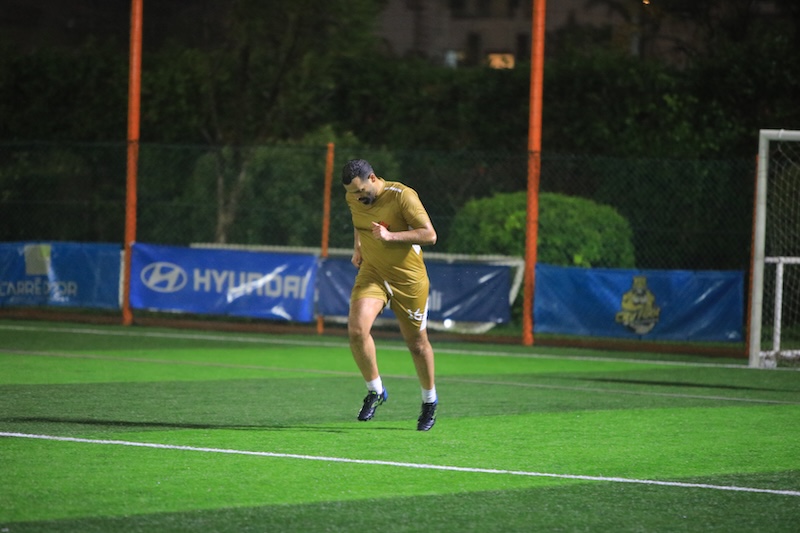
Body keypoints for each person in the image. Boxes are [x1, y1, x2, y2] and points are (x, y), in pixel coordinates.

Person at [341, 159, 439, 431]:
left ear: (373, 178)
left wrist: (390, 236)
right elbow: (359, 222)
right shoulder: (353, 197)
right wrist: (358, 247)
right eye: (352, 193)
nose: (357, 197)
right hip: (373, 272)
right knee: (357, 331)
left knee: (417, 344)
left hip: (408, 279)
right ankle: (375, 390)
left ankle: (429, 401)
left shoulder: (402, 196)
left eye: (360, 191)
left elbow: (430, 235)